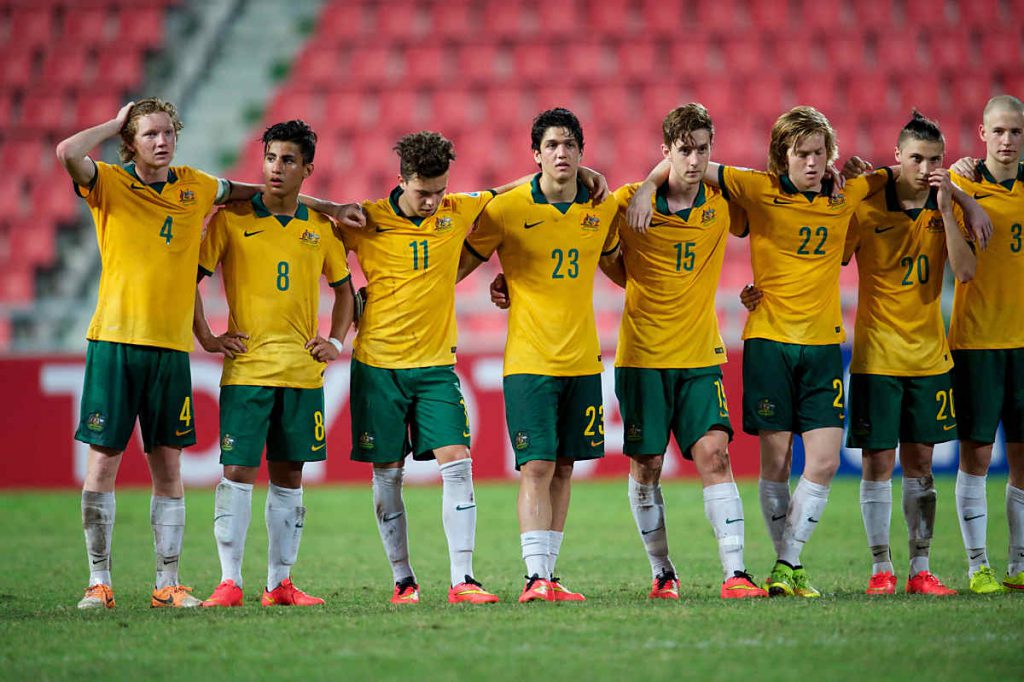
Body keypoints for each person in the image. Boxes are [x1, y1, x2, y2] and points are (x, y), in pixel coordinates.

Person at [326, 129, 607, 605]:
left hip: (436, 366)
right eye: (423, 193)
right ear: (401, 180)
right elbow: (308, 237)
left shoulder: (458, 210)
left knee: (458, 464)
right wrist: (330, 213)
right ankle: (404, 581)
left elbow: (509, 190)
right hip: (377, 365)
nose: (433, 202)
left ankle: (462, 580)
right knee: (388, 474)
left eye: (440, 191)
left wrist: (583, 172)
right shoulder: (363, 220)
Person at [631, 106, 890, 597]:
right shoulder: (755, 187)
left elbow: (898, 176)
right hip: (769, 341)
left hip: (823, 345)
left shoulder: (847, 192)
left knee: (825, 460)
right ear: (781, 156)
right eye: (802, 154)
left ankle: (786, 562)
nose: (812, 164)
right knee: (776, 463)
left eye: (819, 154)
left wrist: (959, 188)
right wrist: (646, 187)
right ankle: (780, 568)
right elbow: (688, 163)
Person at [56, 99, 266, 609]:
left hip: (170, 350)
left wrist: (208, 336)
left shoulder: (195, 186)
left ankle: (167, 583)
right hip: (114, 341)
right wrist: (113, 123)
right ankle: (98, 582)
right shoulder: (107, 182)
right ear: (132, 142)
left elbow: (263, 194)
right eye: (149, 134)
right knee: (104, 462)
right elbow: (66, 151)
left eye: (168, 132)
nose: (161, 141)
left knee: (167, 467)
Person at [602, 104, 767, 599]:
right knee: (648, 465)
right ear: (666, 151)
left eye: (702, 150)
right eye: (684, 150)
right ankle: (662, 572)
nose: (694, 161)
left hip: (699, 356)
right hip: (642, 358)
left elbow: (775, 214)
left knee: (715, 455)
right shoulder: (629, 203)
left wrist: (762, 287)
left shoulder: (722, 204)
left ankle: (735, 572)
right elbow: (592, 249)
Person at [459, 108, 621, 603]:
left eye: (569, 144)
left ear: (581, 153)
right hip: (529, 362)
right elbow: (460, 263)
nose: (561, 153)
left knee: (566, 467)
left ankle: (549, 575)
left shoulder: (602, 208)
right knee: (536, 467)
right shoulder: (507, 209)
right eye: (551, 145)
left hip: (583, 360)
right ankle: (533, 577)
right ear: (536, 155)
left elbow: (620, 267)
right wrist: (497, 283)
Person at [194, 120, 353, 607]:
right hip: (247, 372)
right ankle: (229, 581)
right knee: (237, 474)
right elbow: (190, 280)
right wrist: (206, 336)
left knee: (289, 478)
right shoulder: (229, 220)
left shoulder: (319, 228)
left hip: (303, 373)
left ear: (307, 168)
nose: (275, 168)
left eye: (287, 160)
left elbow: (345, 290)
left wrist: (336, 341)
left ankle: (280, 583)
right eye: (269, 158)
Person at [840, 112, 975, 596]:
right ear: (896, 157)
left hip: (929, 359)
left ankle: (921, 569)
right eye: (916, 158)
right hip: (876, 358)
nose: (925, 167)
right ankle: (882, 568)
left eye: (935, 159)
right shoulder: (868, 205)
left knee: (921, 466)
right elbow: (832, 256)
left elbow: (964, 273)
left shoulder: (948, 208)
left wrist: (948, 207)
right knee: (878, 464)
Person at [948, 95, 1024, 593]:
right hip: (976, 342)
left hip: (1022, 345)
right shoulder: (959, 184)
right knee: (975, 456)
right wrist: (959, 190)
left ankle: (1019, 565)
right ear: (982, 133)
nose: (1006, 140)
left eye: (1015, 132)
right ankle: (978, 566)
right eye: (998, 131)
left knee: (1022, 457)